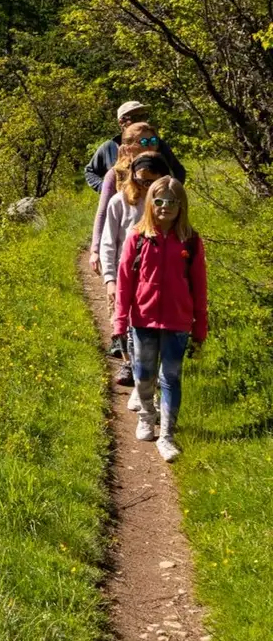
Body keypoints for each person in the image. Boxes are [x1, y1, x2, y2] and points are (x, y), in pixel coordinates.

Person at [112, 177, 207, 463]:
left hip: (178, 323)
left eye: (172, 202)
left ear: (182, 205)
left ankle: (166, 435)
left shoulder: (191, 240)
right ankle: (146, 414)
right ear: (150, 203)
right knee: (143, 374)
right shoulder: (137, 237)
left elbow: (199, 287)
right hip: (143, 319)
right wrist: (119, 324)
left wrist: (200, 326)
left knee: (171, 378)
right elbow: (124, 283)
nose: (165, 207)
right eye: (159, 201)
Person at [100, 153, 170, 386]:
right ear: (132, 177)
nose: (145, 186)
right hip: (125, 274)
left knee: (146, 329)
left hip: (156, 278)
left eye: (151, 182)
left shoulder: (167, 206)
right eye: (140, 180)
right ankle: (129, 364)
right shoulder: (119, 202)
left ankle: (150, 372)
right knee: (124, 324)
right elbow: (108, 242)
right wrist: (110, 278)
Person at [90, 121, 160, 277]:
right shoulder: (115, 175)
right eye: (144, 142)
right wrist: (95, 249)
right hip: (125, 258)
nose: (150, 146)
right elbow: (103, 212)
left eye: (153, 141)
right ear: (128, 147)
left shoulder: (162, 171)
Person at [85, 101, 185, 192]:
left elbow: (178, 170)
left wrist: (171, 191)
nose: (142, 121)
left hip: (155, 206)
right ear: (121, 122)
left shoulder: (156, 143)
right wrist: (105, 187)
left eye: (144, 116)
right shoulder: (109, 147)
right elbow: (90, 171)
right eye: (136, 118)